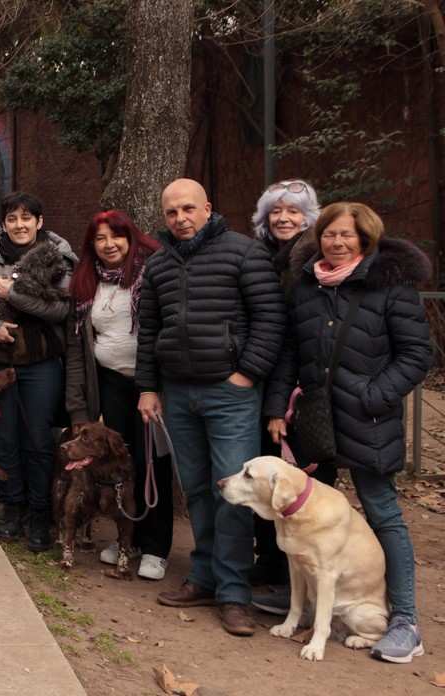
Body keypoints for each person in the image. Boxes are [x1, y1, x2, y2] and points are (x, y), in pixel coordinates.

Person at [266, 202, 431, 663]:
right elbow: (289, 353)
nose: (336, 243)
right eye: (329, 235)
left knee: (382, 512)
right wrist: (278, 406)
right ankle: (309, 599)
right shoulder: (305, 287)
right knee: (305, 514)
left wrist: (375, 395)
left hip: (368, 420)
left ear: (366, 238)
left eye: (347, 235)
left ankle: (404, 619)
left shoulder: (391, 287)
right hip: (316, 419)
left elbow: (417, 354)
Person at [135, 178, 284, 636]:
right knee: (197, 489)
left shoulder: (243, 253)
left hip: (229, 394)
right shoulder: (159, 265)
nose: (180, 219)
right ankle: (203, 576)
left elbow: (269, 318)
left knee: (233, 492)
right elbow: (149, 328)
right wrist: (148, 387)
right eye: (171, 212)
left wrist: (246, 375)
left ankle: (234, 593)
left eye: (188, 209)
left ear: (207, 208)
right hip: (177, 394)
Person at [0, 192, 75, 552]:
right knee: (4, 438)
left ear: (40, 221)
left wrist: (15, 296)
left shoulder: (60, 257)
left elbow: (63, 309)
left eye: (26, 218)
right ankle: (12, 505)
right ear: (3, 222)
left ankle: (39, 513)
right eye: (12, 219)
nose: (19, 225)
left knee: (37, 439)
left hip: (40, 362)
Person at [65, 209, 173, 580]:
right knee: (121, 467)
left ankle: (157, 547)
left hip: (150, 386)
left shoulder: (150, 273)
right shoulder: (88, 281)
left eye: (116, 237)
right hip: (110, 384)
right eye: (100, 239)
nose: (109, 245)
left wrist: (152, 386)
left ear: (131, 238)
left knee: (151, 465)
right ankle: (131, 540)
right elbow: (80, 344)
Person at [246, 179, 335, 599]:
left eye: (293, 211)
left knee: (310, 478)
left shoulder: (315, 260)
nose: (283, 218)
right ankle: (270, 564)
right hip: (269, 378)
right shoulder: (260, 256)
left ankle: (308, 575)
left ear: (309, 217)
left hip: (308, 387)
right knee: (267, 476)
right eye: (275, 212)